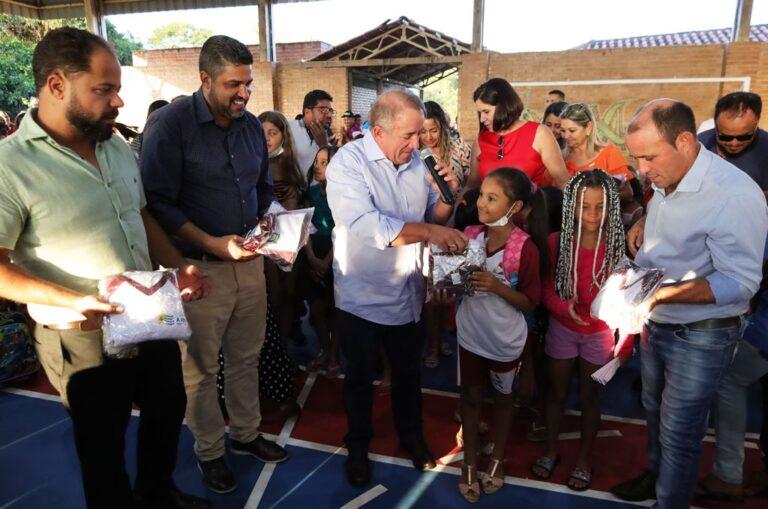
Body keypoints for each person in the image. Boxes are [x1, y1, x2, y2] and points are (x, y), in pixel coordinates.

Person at [0, 27, 210, 509]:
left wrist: (179, 268)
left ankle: (157, 492)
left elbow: (139, 214)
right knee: (102, 441)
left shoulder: (114, 144)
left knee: (166, 406)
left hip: (147, 309)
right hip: (82, 330)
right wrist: (67, 299)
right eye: (104, 89)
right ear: (56, 85)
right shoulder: (10, 165)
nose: (117, 101)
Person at [140, 35, 287, 495]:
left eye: (247, 84)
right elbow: (158, 204)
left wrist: (269, 230)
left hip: (249, 263)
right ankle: (210, 450)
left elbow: (263, 187)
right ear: (204, 79)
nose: (243, 94)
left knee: (246, 355)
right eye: (232, 85)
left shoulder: (248, 127)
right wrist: (212, 244)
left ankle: (244, 434)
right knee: (201, 366)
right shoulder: (170, 125)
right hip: (198, 267)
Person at [612, 99, 768, 508]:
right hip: (656, 321)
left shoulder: (734, 194)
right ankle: (657, 476)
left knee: (680, 431)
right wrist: (645, 223)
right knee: (653, 410)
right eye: (636, 158)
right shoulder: (669, 175)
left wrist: (659, 294)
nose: (641, 169)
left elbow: (740, 282)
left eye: (648, 157)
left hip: (701, 334)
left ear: (684, 141)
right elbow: (678, 223)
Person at [326, 89, 467, 488]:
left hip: (408, 290)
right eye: (408, 135)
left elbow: (431, 216)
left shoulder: (416, 162)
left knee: (408, 374)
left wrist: (446, 199)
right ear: (378, 131)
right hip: (362, 295)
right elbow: (369, 227)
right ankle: (357, 446)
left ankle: (412, 437)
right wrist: (433, 230)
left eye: (420, 134)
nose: (417, 143)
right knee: (359, 379)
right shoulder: (348, 164)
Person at [436, 168, 546, 502]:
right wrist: (445, 289)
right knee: (469, 398)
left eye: (492, 198)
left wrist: (498, 287)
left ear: (514, 207)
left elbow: (531, 303)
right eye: (482, 194)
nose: (480, 202)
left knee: (503, 400)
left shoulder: (525, 248)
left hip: (505, 342)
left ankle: (497, 457)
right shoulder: (469, 236)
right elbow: (453, 283)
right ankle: (469, 461)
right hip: (471, 336)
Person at [694, 91, 768, 502]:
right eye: (728, 138)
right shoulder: (699, 150)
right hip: (718, 279)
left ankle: (728, 475)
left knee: (731, 378)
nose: (735, 145)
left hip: (751, 287)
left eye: (745, 138)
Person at [531, 170, 625, 492]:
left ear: (610, 209)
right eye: (586, 206)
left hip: (599, 333)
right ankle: (550, 449)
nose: (593, 215)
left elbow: (628, 294)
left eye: (601, 207)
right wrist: (561, 307)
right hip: (562, 327)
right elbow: (545, 288)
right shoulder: (557, 243)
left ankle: (584, 459)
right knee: (555, 393)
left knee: (589, 397)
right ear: (572, 206)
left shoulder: (616, 247)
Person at [258, 110, 306, 347]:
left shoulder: (290, 165)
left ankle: (284, 348)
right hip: (264, 242)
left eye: (272, 133)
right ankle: (273, 349)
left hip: (290, 240)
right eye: (262, 133)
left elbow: (297, 204)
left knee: (288, 295)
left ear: (283, 136)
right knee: (272, 297)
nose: (267, 138)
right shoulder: (254, 165)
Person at [469, 78, 569, 188]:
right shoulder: (480, 140)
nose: (482, 119)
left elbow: (563, 182)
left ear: (505, 106)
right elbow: (471, 187)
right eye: (480, 113)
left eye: (486, 111)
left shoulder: (540, 134)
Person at [302, 146, 341, 377]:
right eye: (317, 161)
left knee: (335, 309)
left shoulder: (342, 195)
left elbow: (343, 230)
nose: (317, 165)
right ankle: (325, 351)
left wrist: (326, 261)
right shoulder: (312, 193)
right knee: (316, 310)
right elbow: (305, 225)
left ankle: (334, 354)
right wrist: (311, 257)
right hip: (314, 251)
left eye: (324, 162)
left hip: (335, 254)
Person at [698, 91, 768, 195]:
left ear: (756, 123)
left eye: (744, 137)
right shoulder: (699, 144)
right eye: (725, 137)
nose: (734, 144)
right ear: (716, 125)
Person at [560, 103, 633, 181]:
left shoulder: (609, 153)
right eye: (563, 130)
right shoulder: (558, 157)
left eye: (572, 130)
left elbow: (626, 191)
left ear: (589, 127)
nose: (566, 136)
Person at [420, 100, 472, 187]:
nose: (429, 137)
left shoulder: (460, 148)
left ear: (442, 128)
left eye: (434, 131)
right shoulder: (414, 155)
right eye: (423, 131)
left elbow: (471, 184)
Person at [288, 89, 334, 175]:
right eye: (322, 109)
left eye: (330, 111)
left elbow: (332, 169)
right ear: (307, 111)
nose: (329, 115)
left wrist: (323, 146)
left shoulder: (325, 139)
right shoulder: (288, 129)